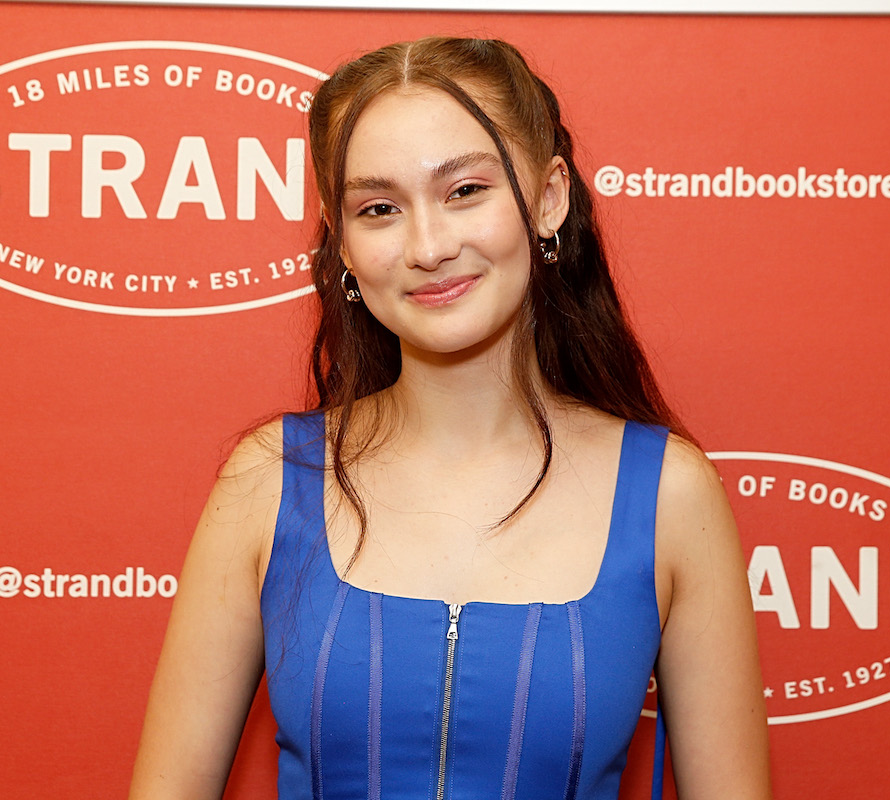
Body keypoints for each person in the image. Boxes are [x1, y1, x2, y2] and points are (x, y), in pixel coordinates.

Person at [130, 36, 770, 800]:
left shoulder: (669, 494)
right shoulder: (268, 479)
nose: (429, 246)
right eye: (379, 208)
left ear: (548, 198)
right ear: (342, 242)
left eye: (465, 191)